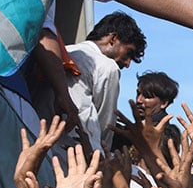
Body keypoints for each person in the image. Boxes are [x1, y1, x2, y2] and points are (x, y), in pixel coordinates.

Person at [61, 12, 147, 154]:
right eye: (128, 53)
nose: (127, 64)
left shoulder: (63, 51)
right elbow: (105, 127)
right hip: (78, 156)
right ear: (113, 39)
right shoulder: (106, 66)